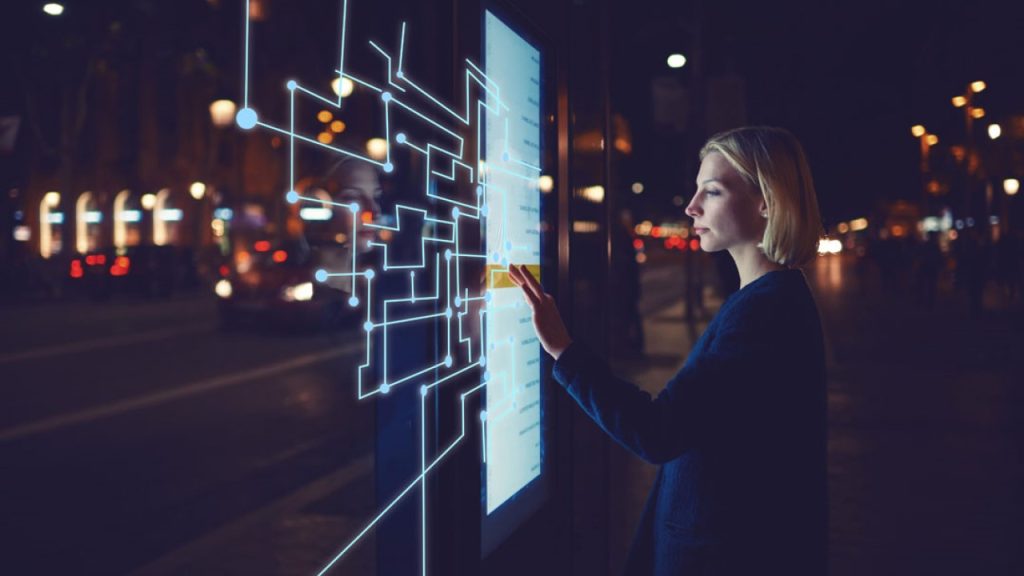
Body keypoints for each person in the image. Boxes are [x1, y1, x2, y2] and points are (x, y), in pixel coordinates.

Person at [509, 126, 827, 575]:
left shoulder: (762, 314)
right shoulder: (771, 300)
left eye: (712, 192)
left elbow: (658, 431)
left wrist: (563, 348)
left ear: (767, 203)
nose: (692, 206)